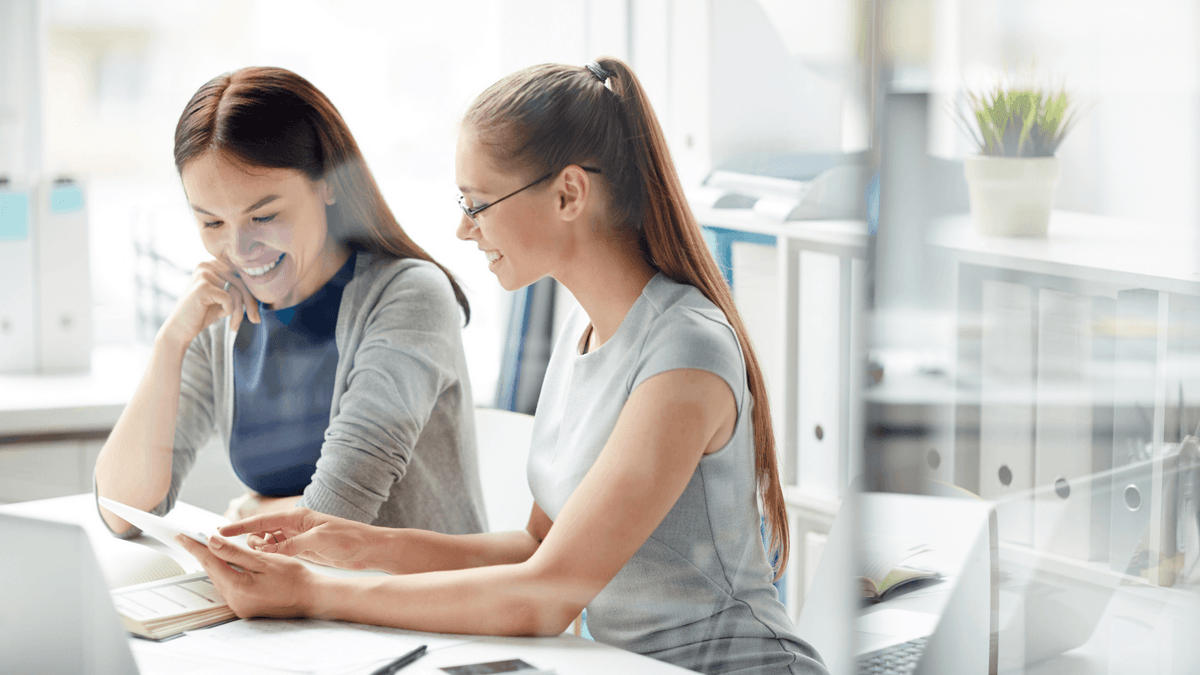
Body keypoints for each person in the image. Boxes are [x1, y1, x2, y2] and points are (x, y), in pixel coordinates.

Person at [178, 58, 828, 675]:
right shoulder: (585, 331)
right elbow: (536, 549)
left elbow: (548, 594)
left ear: (569, 193)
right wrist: (348, 543)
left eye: (476, 203)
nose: (463, 231)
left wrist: (314, 593)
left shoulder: (684, 352)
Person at [95, 66, 485, 539]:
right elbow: (122, 509)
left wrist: (248, 511)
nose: (240, 249)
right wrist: (171, 342)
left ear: (328, 182)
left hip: (412, 606)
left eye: (263, 215)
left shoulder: (409, 296)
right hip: (295, 606)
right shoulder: (222, 311)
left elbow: (334, 520)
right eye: (212, 223)